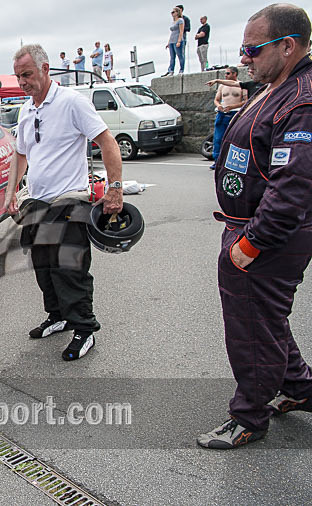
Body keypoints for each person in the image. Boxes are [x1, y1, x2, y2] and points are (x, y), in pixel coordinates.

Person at [197, 3, 312, 449]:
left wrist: (251, 244)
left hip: (266, 236)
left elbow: (293, 187)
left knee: (250, 326)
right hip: (250, 227)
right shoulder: (275, 85)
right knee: (266, 320)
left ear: (287, 46)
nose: (244, 58)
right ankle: (300, 387)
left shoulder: (301, 99)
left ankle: (248, 416)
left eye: (252, 49)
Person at [5, 43, 124, 361]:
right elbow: (21, 155)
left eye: (27, 74)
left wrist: (115, 189)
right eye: (19, 76)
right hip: (38, 203)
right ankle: (57, 316)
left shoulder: (72, 102)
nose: (23, 82)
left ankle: (84, 329)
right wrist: (11, 193)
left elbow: (107, 142)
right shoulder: (26, 109)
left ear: (45, 69)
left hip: (70, 200)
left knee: (70, 269)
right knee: (43, 267)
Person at [208, 67, 248, 169]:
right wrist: (219, 106)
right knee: (218, 138)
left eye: (228, 73)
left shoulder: (241, 85)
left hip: (235, 113)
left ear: (235, 74)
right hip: (222, 114)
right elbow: (216, 99)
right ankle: (217, 161)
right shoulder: (222, 86)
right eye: (225, 73)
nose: (226, 75)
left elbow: (246, 101)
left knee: (235, 138)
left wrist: (232, 107)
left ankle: (232, 161)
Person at [162, 7, 185, 76]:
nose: (172, 14)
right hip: (172, 40)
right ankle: (171, 70)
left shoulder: (180, 20)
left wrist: (179, 41)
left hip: (177, 40)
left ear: (177, 13)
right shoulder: (173, 22)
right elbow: (172, 33)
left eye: (173, 12)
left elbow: (181, 31)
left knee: (180, 56)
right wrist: (168, 42)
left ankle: (181, 70)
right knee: (172, 57)